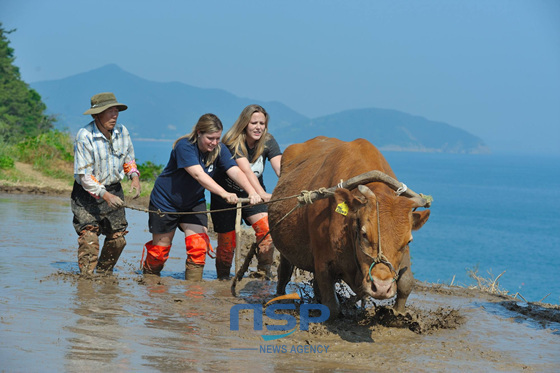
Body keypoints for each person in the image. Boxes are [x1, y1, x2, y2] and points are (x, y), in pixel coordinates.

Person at [142, 113, 262, 281]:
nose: (214, 143)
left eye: (217, 138)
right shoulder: (185, 146)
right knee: (159, 253)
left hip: (193, 203)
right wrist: (224, 193)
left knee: (198, 247)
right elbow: (199, 175)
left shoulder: (219, 150)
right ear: (199, 133)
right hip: (166, 202)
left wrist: (252, 192)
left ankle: (194, 293)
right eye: (210, 138)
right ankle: (149, 279)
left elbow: (235, 171)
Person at [72, 92, 141, 275]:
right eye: (109, 111)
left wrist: (134, 177)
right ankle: (85, 280)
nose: (114, 115)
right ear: (96, 115)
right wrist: (105, 195)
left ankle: (104, 275)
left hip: (114, 188)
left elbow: (129, 158)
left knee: (118, 239)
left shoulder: (122, 132)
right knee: (89, 238)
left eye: (116, 111)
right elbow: (85, 176)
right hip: (87, 193)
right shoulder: (85, 136)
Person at [211, 104, 282, 280]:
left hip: (255, 194)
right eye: (254, 123)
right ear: (245, 124)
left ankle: (262, 273)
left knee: (266, 230)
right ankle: (223, 279)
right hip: (228, 196)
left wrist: (287, 187)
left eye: (262, 123)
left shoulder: (268, 141)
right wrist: (262, 195)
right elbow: (246, 172)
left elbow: (281, 169)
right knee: (227, 244)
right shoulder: (232, 141)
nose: (258, 127)